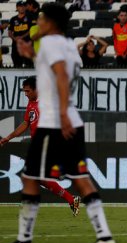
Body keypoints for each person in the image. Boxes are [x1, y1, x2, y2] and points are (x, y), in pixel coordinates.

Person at [0, 3, 116, 243]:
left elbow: (61, 76)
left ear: (50, 21)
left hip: (54, 121)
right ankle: (104, 236)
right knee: (81, 180)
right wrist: (30, 53)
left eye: (41, 18)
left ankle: (23, 241)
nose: (38, 22)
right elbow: (55, 71)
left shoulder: (52, 44)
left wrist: (61, 115)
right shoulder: (69, 46)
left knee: (30, 178)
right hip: (72, 120)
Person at [0, 77, 81, 216]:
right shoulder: (31, 104)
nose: (26, 94)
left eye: (28, 91)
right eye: (24, 91)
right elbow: (26, 124)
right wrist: (8, 137)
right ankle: (71, 199)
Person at [8, 1, 33, 67]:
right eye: (20, 6)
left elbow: (31, 30)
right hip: (16, 45)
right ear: (17, 7)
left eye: (23, 6)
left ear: (25, 7)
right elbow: (9, 32)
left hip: (27, 44)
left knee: (29, 64)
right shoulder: (13, 19)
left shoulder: (30, 17)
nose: (22, 8)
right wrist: (14, 38)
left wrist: (21, 37)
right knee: (16, 64)